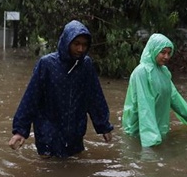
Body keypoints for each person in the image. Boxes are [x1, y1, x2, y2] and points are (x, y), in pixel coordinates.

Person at [8, 20, 114, 158]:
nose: (80, 49)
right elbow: (31, 98)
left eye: (84, 45)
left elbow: (95, 97)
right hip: (48, 132)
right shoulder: (46, 64)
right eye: (76, 44)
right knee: (48, 168)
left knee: (74, 167)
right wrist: (20, 131)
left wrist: (103, 126)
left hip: (75, 132)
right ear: (66, 42)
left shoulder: (86, 66)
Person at [122, 33, 187, 148]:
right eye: (163, 52)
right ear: (153, 50)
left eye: (169, 53)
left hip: (158, 128)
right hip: (138, 131)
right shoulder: (141, 72)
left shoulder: (164, 71)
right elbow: (145, 105)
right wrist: (151, 140)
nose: (166, 56)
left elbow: (174, 97)